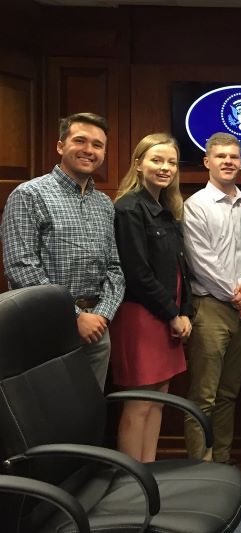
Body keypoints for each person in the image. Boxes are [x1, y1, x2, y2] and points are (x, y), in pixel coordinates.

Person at [1, 112, 124, 389]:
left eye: (97, 144)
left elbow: (114, 268)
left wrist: (101, 315)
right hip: (44, 326)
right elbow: (20, 267)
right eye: (80, 140)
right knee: (45, 419)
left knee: (88, 417)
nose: (89, 150)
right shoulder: (29, 194)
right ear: (60, 146)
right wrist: (74, 317)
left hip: (97, 331)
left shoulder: (104, 203)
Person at [111, 133, 193, 463]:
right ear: (138, 164)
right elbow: (137, 274)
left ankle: (149, 472)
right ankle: (131, 483)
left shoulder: (167, 209)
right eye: (157, 160)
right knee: (139, 403)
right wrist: (173, 313)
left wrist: (185, 311)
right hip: (142, 316)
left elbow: (180, 268)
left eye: (171, 162)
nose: (165, 167)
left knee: (160, 399)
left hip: (168, 316)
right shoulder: (129, 208)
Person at [182, 132, 241, 474]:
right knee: (205, 396)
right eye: (221, 156)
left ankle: (224, 462)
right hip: (211, 309)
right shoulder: (195, 205)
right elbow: (201, 261)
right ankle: (202, 468)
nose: (228, 161)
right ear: (207, 162)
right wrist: (237, 295)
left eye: (234, 157)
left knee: (230, 392)